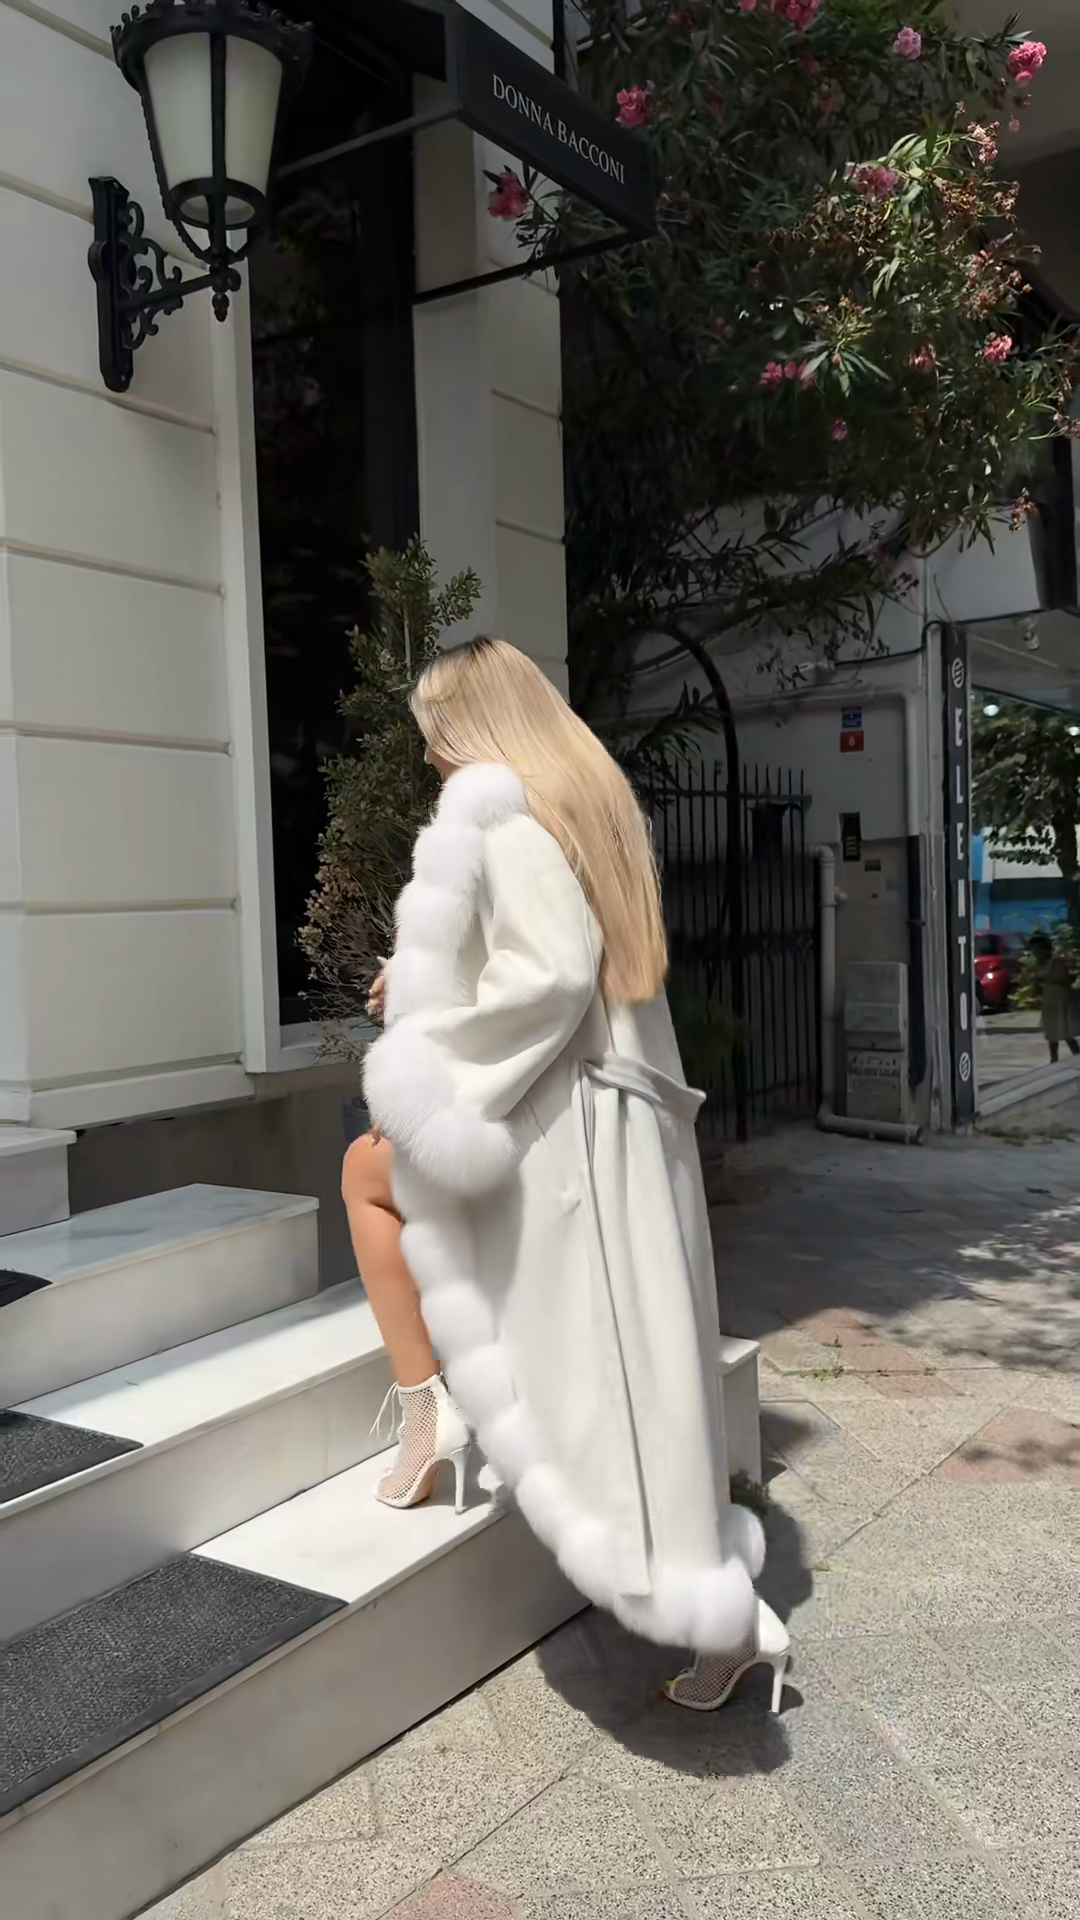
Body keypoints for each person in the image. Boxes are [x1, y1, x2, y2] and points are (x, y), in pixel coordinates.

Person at [342, 637, 787, 1712]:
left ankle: (426, 1413)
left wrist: (424, 1049)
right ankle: (724, 1624)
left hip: (563, 1140)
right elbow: (559, 965)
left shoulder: (502, 817)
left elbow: (545, 976)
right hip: (615, 1134)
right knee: (641, 1381)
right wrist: (421, 976)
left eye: (436, 735)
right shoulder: (584, 809)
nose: (432, 758)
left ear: (472, 728)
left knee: (371, 1179)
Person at [1029, 931, 1080, 1064]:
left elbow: (1062, 977)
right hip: (1050, 1001)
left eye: (1038, 949)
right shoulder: (1039, 964)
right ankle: (1054, 1060)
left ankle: (1077, 1058)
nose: (1036, 952)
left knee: (1066, 1033)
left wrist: (1042, 979)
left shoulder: (1057, 961)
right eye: (1034, 949)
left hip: (1061, 1000)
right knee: (1052, 1034)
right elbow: (1037, 985)